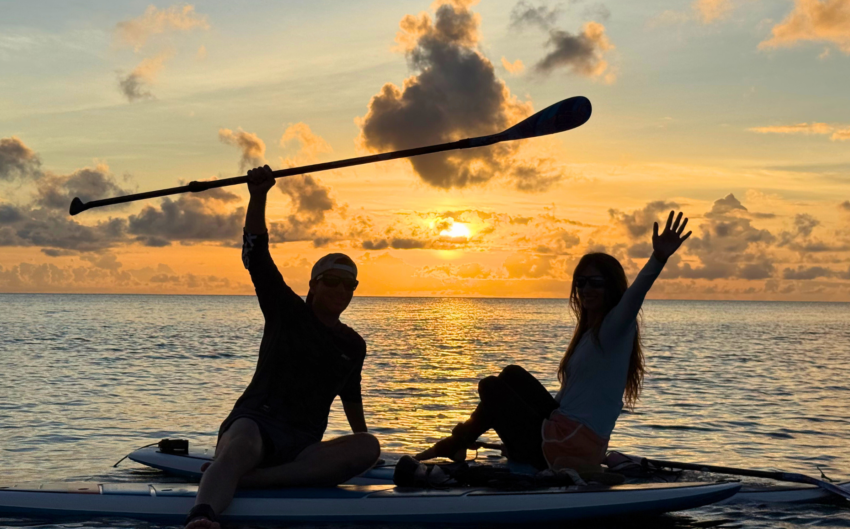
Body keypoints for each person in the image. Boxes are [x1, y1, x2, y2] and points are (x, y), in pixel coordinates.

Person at [416, 211, 691, 476]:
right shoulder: (589, 333)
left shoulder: (615, 328)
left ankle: (457, 443)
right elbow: (565, 398)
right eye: (581, 283)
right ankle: (459, 442)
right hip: (561, 429)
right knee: (511, 374)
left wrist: (658, 258)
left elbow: (636, 295)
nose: (586, 290)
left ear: (611, 287)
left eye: (595, 283)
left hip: (570, 445)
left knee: (490, 386)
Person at [185, 166, 381, 529]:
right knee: (241, 443)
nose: (341, 291)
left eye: (349, 285)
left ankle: (244, 479)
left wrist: (369, 460)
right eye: (332, 282)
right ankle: (202, 516)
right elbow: (256, 256)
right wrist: (258, 195)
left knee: (368, 445)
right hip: (256, 425)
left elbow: (351, 400)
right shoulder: (285, 311)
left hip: (302, 446)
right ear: (313, 285)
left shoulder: (353, 345)